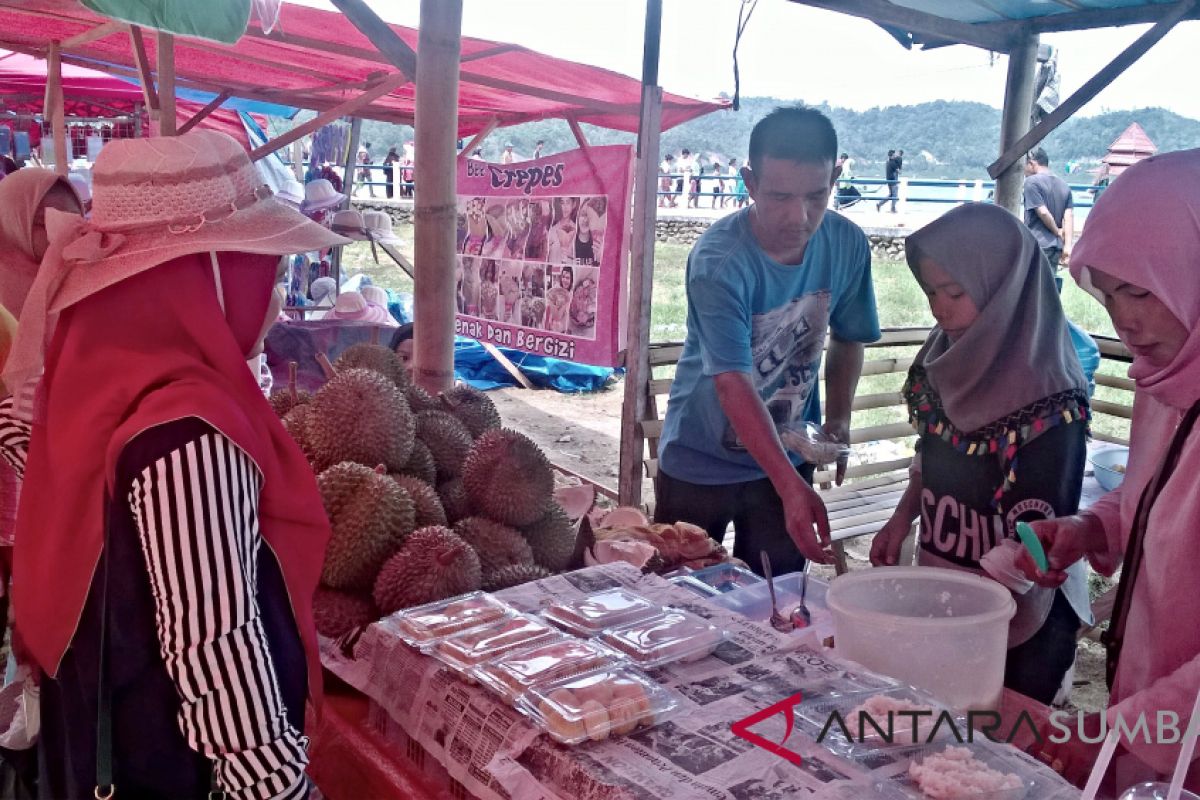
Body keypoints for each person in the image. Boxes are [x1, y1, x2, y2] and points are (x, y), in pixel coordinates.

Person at [0, 129, 348, 797]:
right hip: (161, 761)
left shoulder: (91, 370)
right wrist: (277, 788)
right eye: (258, 260)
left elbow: (38, 463)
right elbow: (217, 648)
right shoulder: (188, 428)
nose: (273, 284)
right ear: (212, 269)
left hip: (91, 731)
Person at [1017, 149, 1200, 793]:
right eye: (1109, 292)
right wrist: (1088, 528)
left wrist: (1117, 729)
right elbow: (1154, 497)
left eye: (1143, 290)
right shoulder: (1168, 381)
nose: (1124, 320)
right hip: (1148, 700)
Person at [868, 203, 1092, 704]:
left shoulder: (1050, 396)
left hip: (1016, 611)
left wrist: (963, 616)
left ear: (1005, 287)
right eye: (930, 293)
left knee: (996, 740)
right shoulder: (944, 355)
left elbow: (1038, 537)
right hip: (945, 577)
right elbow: (931, 448)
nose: (939, 309)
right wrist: (902, 518)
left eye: (954, 292)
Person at [654, 106, 880, 575]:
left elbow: (849, 338)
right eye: (778, 196)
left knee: (779, 597)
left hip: (791, 451)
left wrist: (838, 420)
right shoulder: (720, 262)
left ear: (836, 177)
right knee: (676, 596)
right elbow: (732, 384)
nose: (799, 217)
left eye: (816, 195)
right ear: (750, 183)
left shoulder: (848, 244)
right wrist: (791, 487)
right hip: (701, 460)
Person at [0, 168, 83, 317]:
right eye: (42, 222)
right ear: (11, 226)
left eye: (72, 220)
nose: (62, 231)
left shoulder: (90, 277)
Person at [1023, 147, 1074, 279]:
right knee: (1049, 288)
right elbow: (1068, 217)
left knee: (1032, 288)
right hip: (1055, 247)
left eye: (1024, 165)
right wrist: (1067, 246)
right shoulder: (1064, 185)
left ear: (1032, 163)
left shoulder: (1031, 182)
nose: (1023, 170)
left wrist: (1056, 231)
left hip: (1037, 244)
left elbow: (1043, 212)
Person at [877, 149, 901, 213]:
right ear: (893, 155)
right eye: (895, 154)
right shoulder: (893, 163)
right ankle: (893, 208)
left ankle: (879, 204)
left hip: (889, 181)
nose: (896, 155)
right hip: (893, 181)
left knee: (891, 195)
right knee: (894, 195)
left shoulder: (888, 162)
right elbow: (899, 171)